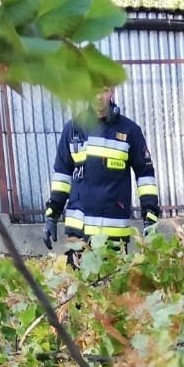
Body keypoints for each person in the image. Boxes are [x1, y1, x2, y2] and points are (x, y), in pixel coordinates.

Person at [43, 87, 160, 255]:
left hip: (113, 235)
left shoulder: (129, 131)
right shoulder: (73, 128)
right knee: (77, 281)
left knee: (113, 281)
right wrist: (51, 215)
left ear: (111, 92)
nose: (98, 96)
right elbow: (62, 176)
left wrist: (150, 219)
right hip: (78, 235)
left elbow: (145, 177)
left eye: (104, 90)